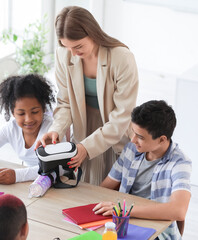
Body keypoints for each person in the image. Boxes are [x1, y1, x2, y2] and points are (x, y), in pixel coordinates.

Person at [35, 6, 139, 185]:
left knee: (114, 189)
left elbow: (121, 116)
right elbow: (65, 102)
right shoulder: (64, 54)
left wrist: (86, 147)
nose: (73, 54)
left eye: (78, 46)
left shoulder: (122, 58)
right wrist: (56, 130)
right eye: (67, 47)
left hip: (116, 131)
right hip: (84, 126)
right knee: (86, 188)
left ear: (93, 33)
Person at [93, 100, 191, 239]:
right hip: (123, 224)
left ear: (162, 140)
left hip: (156, 232)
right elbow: (103, 189)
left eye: (140, 137)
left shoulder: (179, 163)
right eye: (134, 133)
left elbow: (179, 210)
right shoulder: (131, 150)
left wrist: (126, 211)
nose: (133, 140)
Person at [0, 74, 56, 184]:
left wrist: (17, 175)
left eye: (34, 112)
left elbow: (56, 167)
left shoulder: (52, 129)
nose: (28, 119)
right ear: (12, 112)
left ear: (43, 108)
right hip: (29, 184)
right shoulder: (11, 128)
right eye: (21, 113)